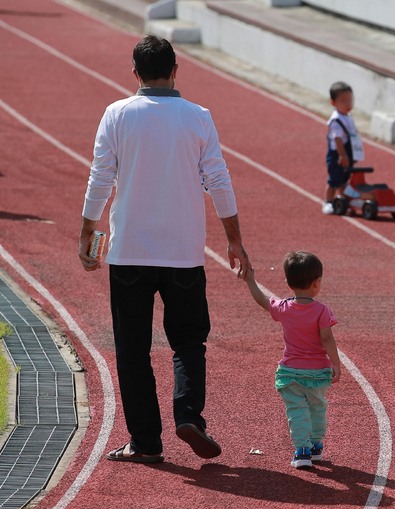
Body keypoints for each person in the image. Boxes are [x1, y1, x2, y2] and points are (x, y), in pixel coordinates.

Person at [78, 36, 251, 463]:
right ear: (176, 69)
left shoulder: (116, 114)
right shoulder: (198, 117)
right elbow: (219, 180)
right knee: (189, 342)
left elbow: (101, 177)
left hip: (130, 253)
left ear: (134, 73)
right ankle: (189, 414)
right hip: (184, 253)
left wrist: (86, 231)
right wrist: (234, 240)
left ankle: (145, 443)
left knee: (132, 350)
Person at [242, 251, 341, 468]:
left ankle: (302, 450)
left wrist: (251, 281)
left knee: (297, 411)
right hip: (317, 372)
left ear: (288, 282)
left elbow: (263, 300)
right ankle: (316, 446)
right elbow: (327, 338)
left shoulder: (285, 308)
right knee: (317, 407)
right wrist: (336, 363)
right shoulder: (322, 311)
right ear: (317, 283)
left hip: (291, 372)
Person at [322, 81, 365, 215]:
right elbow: (337, 139)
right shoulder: (336, 120)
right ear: (333, 103)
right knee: (335, 179)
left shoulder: (348, 116)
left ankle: (344, 201)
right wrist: (343, 155)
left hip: (348, 151)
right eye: (343, 101)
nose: (348, 104)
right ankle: (328, 202)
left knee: (345, 179)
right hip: (338, 153)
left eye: (350, 100)